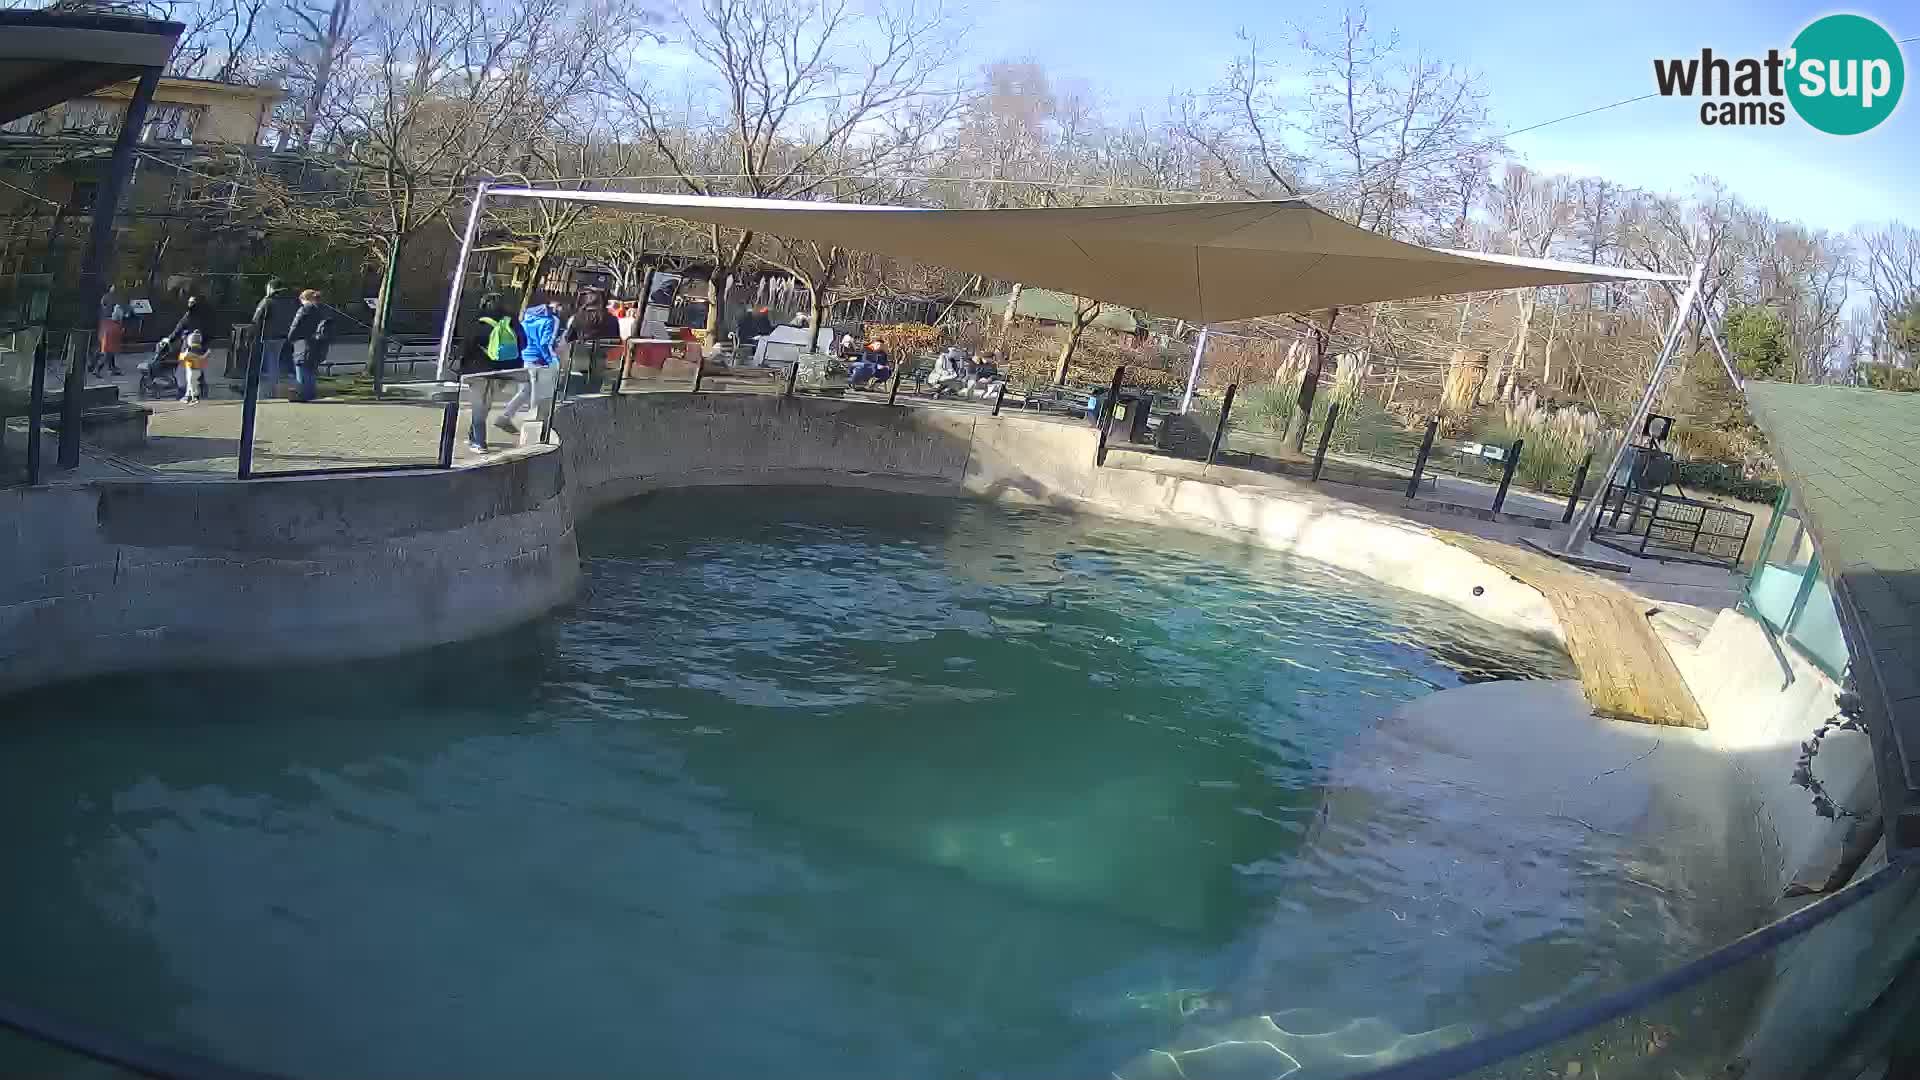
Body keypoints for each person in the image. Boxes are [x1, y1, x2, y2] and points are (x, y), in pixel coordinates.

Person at [458, 292, 524, 453]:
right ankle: (473, 435)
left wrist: (462, 363)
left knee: (479, 405)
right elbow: (523, 343)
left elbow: (467, 346)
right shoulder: (511, 321)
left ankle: (479, 442)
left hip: (478, 369)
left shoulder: (478, 321)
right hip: (504, 370)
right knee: (485, 405)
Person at [500, 295, 565, 434]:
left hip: (526, 358)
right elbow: (544, 343)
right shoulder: (549, 321)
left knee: (525, 391)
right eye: (557, 306)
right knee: (538, 393)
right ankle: (533, 426)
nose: (559, 309)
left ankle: (505, 416)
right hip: (538, 360)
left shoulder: (527, 319)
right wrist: (547, 360)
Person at [250, 278, 300, 399]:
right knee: (276, 360)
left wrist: (253, 331)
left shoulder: (268, 301)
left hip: (268, 335)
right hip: (283, 335)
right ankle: (281, 386)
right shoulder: (289, 301)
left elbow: (256, 318)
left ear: (271, 288)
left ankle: (271, 390)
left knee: (271, 361)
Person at [285, 289, 330, 402]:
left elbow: (295, 326)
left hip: (303, 343)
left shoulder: (304, 309)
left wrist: (290, 339)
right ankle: (310, 393)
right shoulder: (323, 309)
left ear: (304, 299)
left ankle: (303, 394)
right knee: (311, 369)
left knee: (301, 367)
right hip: (319, 343)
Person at [92, 286, 127, 377]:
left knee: (105, 348)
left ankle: (107, 367)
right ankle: (98, 368)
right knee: (108, 350)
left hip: (105, 324)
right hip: (112, 326)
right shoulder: (114, 299)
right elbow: (118, 315)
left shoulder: (104, 299)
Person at [178, 330, 211, 404]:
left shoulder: (191, 350)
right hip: (196, 370)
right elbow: (202, 358)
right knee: (193, 383)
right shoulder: (199, 349)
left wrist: (185, 354)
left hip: (192, 370)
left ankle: (192, 398)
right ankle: (190, 396)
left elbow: (183, 357)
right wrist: (207, 354)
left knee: (191, 383)